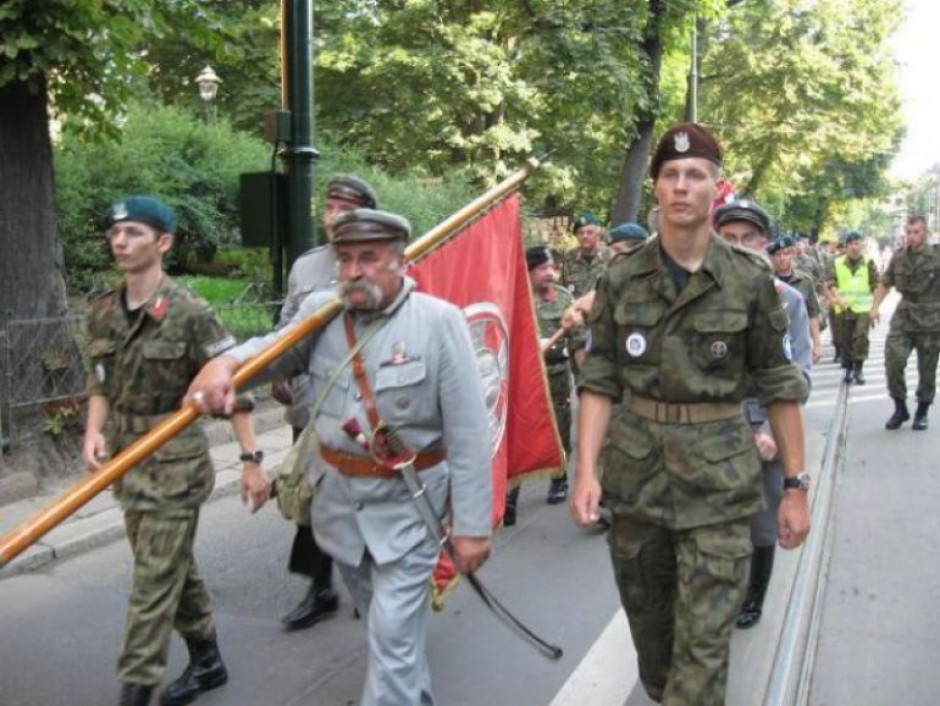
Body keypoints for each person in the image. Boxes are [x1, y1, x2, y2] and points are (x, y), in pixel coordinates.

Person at [185, 208, 493, 706]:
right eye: (345, 258)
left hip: (410, 510)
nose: (353, 271)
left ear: (401, 261)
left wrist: (473, 525)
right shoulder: (324, 312)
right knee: (385, 627)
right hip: (341, 511)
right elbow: (268, 352)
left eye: (368, 258)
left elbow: (470, 434)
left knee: (392, 632)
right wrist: (224, 364)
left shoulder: (439, 324)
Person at [570, 123, 811, 705]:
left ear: (715, 188)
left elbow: (780, 387)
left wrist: (796, 487)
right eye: (671, 175)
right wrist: (586, 471)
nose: (682, 186)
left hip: (721, 486)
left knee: (700, 668)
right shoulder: (621, 278)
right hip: (638, 483)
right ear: (656, 187)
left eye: (695, 175)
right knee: (656, 657)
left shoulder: (751, 280)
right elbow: (600, 380)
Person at [82, 196, 268, 706]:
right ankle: (207, 658)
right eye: (116, 232)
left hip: (175, 468)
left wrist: (252, 462)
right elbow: (99, 382)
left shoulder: (191, 312)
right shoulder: (102, 311)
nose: (120, 241)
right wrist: (93, 431)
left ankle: (135, 688)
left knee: (150, 582)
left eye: (134, 232)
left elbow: (238, 388)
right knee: (168, 564)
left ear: (162, 242)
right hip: (127, 464)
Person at [274, 173, 379, 631]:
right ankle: (319, 588)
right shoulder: (305, 268)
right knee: (313, 495)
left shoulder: (379, 264)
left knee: (367, 495)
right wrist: (278, 373)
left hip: (364, 410)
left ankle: (371, 580)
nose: (334, 214)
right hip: (313, 406)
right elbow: (285, 330)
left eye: (345, 208)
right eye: (330, 205)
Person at [713, 199, 814, 630]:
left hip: (761, 433)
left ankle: (753, 596)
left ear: (764, 244)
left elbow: (799, 377)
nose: (739, 247)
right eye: (729, 239)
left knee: (760, 526)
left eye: (748, 239)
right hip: (710, 434)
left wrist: (772, 431)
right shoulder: (699, 295)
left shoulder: (786, 301)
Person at [504, 247, 584, 525]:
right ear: (527, 271)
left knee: (559, 429)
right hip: (523, 378)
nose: (549, 273)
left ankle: (559, 477)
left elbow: (578, 339)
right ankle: (511, 494)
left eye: (552, 267)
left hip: (556, 375)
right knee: (522, 432)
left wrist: (585, 376)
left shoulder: (562, 298)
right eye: (542, 268)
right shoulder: (512, 298)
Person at [872, 215, 940, 430]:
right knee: (893, 360)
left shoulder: (936, 257)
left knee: (927, 369)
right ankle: (900, 407)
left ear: (925, 233)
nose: (911, 236)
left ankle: (922, 411)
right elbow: (885, 282)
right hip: (904, 314)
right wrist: (874, 307)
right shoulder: (899, 257)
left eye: (916, 232)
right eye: (908, 232)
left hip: (931, 318)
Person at [825, 232, 879, 384]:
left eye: (857, 244)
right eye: (851, 244)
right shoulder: (837, 262)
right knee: (845, 339)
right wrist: (838, 298)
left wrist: (875, 307)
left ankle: (859, 369)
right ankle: (848, 368)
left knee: (861, 337)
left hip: (863, 307)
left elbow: (875, 284)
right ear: (847, 246)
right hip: (844, 307)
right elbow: (830, 283)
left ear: (861, 245)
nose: (855, 247)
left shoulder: (869, 262)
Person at [768, 235, 823, 363]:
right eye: (777, 255)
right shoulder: (765, 282)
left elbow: (812, 314)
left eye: (786, 254)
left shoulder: (805, 281)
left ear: (792, 255)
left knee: (800, 380)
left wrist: (817, 344)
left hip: (798, 343)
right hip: (772, 344)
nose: (782, 258)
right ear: (772, 258)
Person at [561, 212, 611, 298]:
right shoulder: (569, 257)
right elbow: (562, 290)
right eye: (581, 233)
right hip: (575, 309)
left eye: (589, 233)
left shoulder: (610, 256)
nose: (584, 236)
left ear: (598, 235)